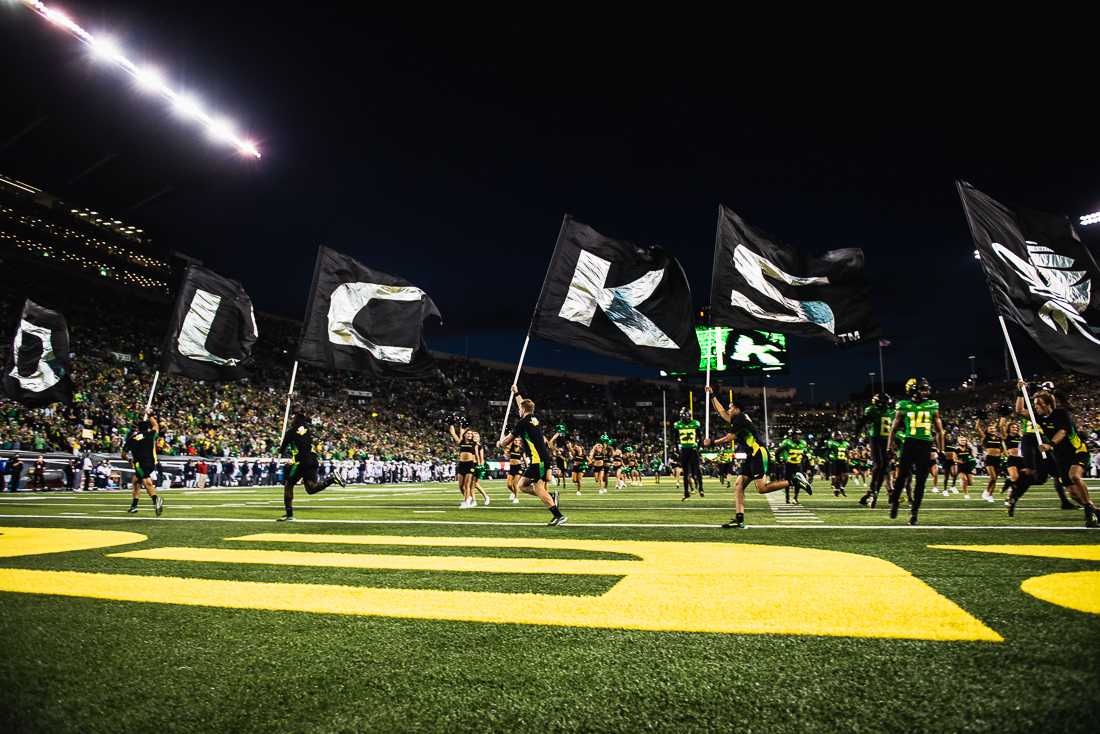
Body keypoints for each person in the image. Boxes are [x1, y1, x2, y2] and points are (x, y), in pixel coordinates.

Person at [706, 386, 810, 528]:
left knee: (761, 488)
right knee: (738, 485)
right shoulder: (738, 417)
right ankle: (739, 520)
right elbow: (721, 412)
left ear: (737, 409)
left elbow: (730, 437)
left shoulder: (740, 418)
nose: (728, 410)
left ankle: (794, 480)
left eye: (730, 408)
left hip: (758, 454)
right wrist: (712, 396)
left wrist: (712, 442)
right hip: (751, 456)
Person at [1014, 389, 1097, 527]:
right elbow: (1019, 410)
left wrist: (1050, 444)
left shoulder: (1061, 414)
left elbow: (1062, 432)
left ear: (1048, 404)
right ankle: (1094, 510)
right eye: (1034, 404)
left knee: (1074, 476)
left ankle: (1089, 513)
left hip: (1077, 451)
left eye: (1038, 404)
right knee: (1073, 494)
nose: (1036, 407)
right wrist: (1020, 392)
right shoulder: (1038, 417)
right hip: (1061, 458)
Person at [496, 384, 567, 526]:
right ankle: (551, 497)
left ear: (522, 410)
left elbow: (507, 442)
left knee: (538, 488)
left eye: (520, 409)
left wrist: (500, 443)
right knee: (522, 485)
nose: (519, 410)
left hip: (537, 460)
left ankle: (558, 515)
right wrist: (516, 393)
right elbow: (523, 405)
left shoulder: (522, 423)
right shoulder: (534, 418)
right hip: (541, 458)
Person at [885, 378, 944, 526]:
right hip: (909, 443)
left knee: (921, 481)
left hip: (925, 444)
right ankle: (895, 503)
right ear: (913, 390)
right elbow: (893, 428)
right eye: (922, 389)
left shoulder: (932, 405)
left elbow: (939, 431)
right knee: (901, 477)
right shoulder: (904, 405)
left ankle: (914, 512)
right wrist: (889, 446)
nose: (926, 392)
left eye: (926, 389)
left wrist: (941, 449)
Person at [277, 410, 345, 521]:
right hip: (313, 460)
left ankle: (289, 514)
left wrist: (281, 448)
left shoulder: (290, 433)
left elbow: (283, 448)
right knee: (311, 488)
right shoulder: (308, 430)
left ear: (295, 421)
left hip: (300, 462)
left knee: (288, 485)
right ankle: (332, 479)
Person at [120, 415, 164, 516]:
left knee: (146, 481)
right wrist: (150, 416)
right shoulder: (151, 435)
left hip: (139, 464)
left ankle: (156, 500)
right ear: (147, 428)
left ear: (138, 428)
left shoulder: (132, 438)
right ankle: (134, 506)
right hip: (151, 462)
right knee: (136, 481)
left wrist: (129, 460)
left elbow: (123, 454)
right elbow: (156, 425)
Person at [673, 408, 704, 500]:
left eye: (684, 416)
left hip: (692, 449)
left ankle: (701, 488)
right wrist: (678, 451)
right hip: (684, 449)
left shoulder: (695, 423)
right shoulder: (678, 425)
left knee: (697, 470)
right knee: (685, 472)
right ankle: (686, 492)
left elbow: (700, 438)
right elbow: (675, 439)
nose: (683, 418)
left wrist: (697, 448)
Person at [777, 429, 811, 503]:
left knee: (798, 481)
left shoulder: (803, 443)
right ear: (791, 435)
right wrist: (779, 461)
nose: (797, 436)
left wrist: (806, 466)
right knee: (787, 482)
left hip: (798, 465)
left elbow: (805, 455)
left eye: (798, 434)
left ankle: (795, 498)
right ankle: (787, 496)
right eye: (795, 434)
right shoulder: (787, 442)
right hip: (789, 464)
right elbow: (777, 451)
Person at [449, 424, 478, 508]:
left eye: (471, 434)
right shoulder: (461, 442)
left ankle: (466, 502)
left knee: (467, 485)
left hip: (470, 465)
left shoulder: (474, 443)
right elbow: (454, 434)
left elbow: (476, 455)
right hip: (461, 464)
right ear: (465, 434)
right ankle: (468, 498)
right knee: (461, 486)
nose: (469, 435)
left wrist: (478, 465)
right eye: (468, 433)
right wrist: (452, 429)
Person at [975, 415, 1004, 502]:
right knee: (993, 477)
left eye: (993, 428)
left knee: (995, 479)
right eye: (990, 428)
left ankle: (990, 495)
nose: (992, 429)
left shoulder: (999, 438)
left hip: (998, 459)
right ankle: (986, 492)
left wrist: (1002, 454)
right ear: (987, 430)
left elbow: (1002, 448)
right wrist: (978, 421)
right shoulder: (985, 437)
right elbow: (977, 429)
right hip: (989, 458)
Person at [826, 431, 850, 497]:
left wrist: (848, 459)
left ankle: (842, 488)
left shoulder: (846, 443)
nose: (839, 436)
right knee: (837, 477)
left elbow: (847, 452)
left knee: (846, 476)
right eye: (837, 435)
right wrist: (829, 459)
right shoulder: (832, 443)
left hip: (844, 461)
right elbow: (828, 452)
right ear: (834, 437)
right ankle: (836, 490)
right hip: (836, 461)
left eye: (839, 435)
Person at [506, 436, 524, 504]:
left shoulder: (522, 449)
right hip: (511, 467)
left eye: (518, 440)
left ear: (520, 442)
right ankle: (513, 493)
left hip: (518, 467)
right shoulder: (511, 448)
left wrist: (527, 467)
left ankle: (516, 498)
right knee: (509, 485)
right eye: (515, 440)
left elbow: (524, 459)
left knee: (515, 484)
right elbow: (504, 447)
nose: (516, 441)